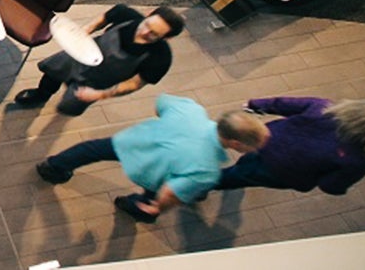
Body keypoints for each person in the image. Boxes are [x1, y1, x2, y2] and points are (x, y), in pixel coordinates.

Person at [36, 95, 269, 223]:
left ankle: (53, 167)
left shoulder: (191, 110)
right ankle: (131, 206)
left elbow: (161, 104)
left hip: (135, 142)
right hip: (152, 176)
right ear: (236, 144)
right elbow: (170, 193)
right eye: (253, 146)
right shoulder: (206, 171)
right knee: (148, 199)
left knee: (92, 150)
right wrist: (157, 207)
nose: (255, 150)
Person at [14, 5, 184, 116]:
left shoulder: (161, 58)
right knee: (52, 74)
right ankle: (41, 95)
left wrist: (101, 94)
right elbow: (103, 19)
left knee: (69, 106)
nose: (145, 32)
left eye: (154, 34)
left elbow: (134, 84)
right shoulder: (125, 14)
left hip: (98, 83)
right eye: (147, 24)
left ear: (167, 38)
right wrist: (85, 31)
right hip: (80, 55)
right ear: (148, 15)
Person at [217, 97, 365, 195]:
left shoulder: (322, 107)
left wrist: (255, 104)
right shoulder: (358, 162)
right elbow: (330, 186)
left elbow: (283, 103)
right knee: (242, 176)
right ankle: (207, 183)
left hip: (266, 140)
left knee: (248, 162)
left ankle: (233, 171)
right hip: (283, 172)